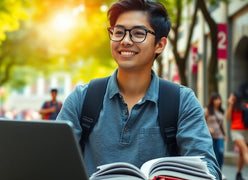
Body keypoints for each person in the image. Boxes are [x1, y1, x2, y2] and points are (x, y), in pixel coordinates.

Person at [56, 0, 221, 179]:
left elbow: (207, 170)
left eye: (138, 33)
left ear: (160, 44)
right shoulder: (82, 98)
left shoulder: (182, 101)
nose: (125, 41)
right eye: (119, 32)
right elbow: (52, 159)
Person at [226, 91, 248, 180]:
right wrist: (230, 105)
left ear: (235, 97)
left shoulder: (245, 106)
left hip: (245, 132)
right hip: (236, 132)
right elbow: (228, 118)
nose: (230, 97)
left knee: (242, 154)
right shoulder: (233, 107)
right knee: (245, 150)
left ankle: (238, 174)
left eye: (231, 96)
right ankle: (238, 174)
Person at [204, 93, 226, 170]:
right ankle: (214, 171)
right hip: (210, 136)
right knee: (214, 155)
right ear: (212, 100)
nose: (218, 101)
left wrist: (224, 134)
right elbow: (202, 122)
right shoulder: (207, 111)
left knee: (221, 153)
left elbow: (222, 124)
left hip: (220, 136)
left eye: (219, 99)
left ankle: (219, 170)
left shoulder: (220, 111)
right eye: (216, 99)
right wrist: (208, 129)